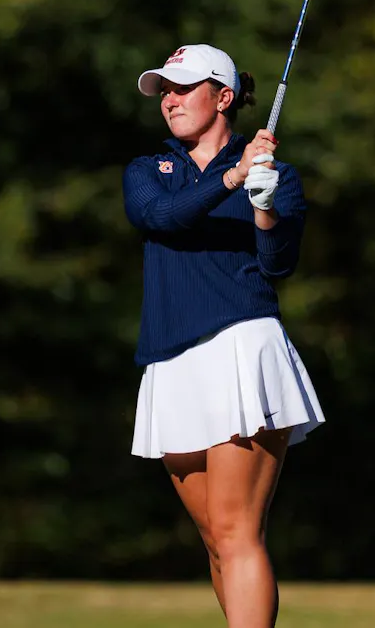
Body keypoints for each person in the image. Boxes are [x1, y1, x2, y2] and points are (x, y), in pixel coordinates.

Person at [124, 44, 325, 628]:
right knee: (216, 538)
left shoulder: (273, 173)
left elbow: (278, 262)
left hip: (241, 345)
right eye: (165, 89)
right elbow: (161, 217)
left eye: (184, 87)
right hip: (169, 357)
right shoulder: (147, 170)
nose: (171, 99)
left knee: (238, 531)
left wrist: (263, 206)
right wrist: (232, 178)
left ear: (225, 97)